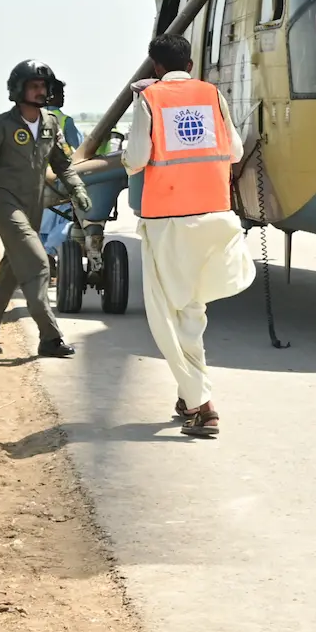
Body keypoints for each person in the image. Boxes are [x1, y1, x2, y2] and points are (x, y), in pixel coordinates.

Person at [122, 33, 255, 438]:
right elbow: (233, 152)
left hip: (169, 221)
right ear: (191, 65)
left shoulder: (150, 99)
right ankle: (187, 395)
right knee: (192, 311)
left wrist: (129, 151)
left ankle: (203, 407)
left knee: (166, 314)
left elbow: (137, 160)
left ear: (156, 67)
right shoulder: (212, 95)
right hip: (215, 215)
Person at [0, 60, 91, 358]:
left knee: (11, 270)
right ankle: (50, 337)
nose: (40, 91)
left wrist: (77, 188)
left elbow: (62, 164)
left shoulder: (50, 124)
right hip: (7, 204)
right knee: (37, 264)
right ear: (18, 89)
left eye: (43, 86)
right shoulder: (1, 126)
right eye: (34, 85)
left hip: (34, 205)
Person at [39, 78, 84, 280]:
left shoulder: (29, 119)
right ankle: (49, 252)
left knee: (40, 221)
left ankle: (40, 258)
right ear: (51, 96)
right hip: (58, 180)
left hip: (36, 180)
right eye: (60, 94)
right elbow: (79, 149)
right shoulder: (64, 121)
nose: (63, 97)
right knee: (70, 218)